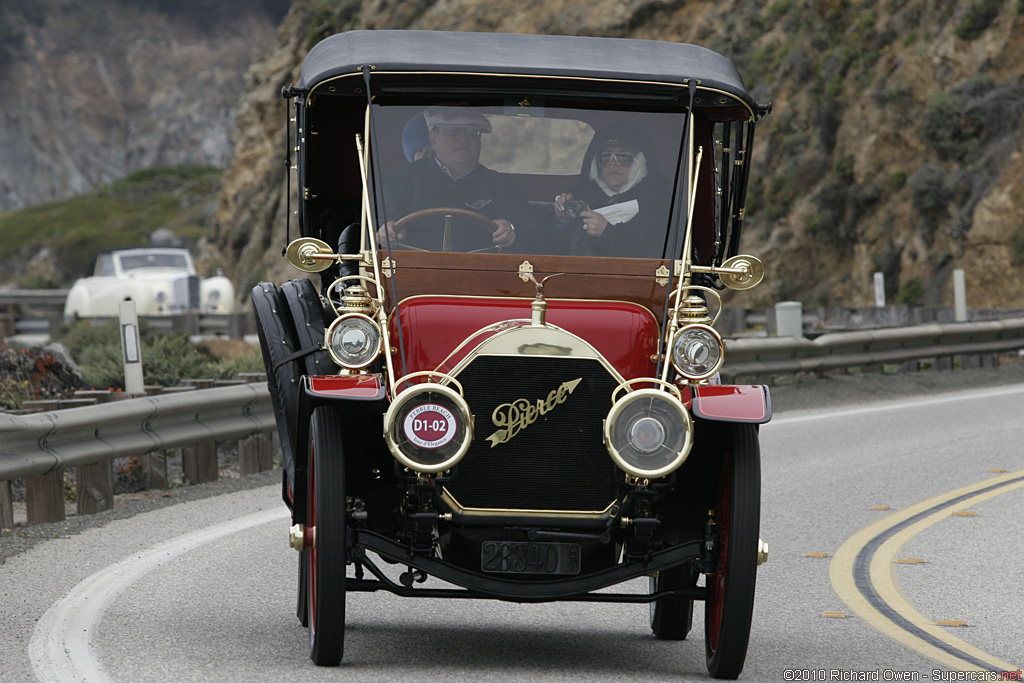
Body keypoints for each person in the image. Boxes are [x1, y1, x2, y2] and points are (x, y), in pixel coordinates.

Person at [377, 105, 529, 252]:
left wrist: (508, 227)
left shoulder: (506, 187)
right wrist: (387, 230)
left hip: (481, 273)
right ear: (433, 139)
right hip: (412, 273)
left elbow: (520, 227)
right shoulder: (398, 181)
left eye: (472, 132)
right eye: (453, 131)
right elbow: (383, 221)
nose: (463, 138)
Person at [552, 121, 672, 258]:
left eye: (623, 156)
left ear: (640, 162)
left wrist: (607, 232)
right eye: (605, 157)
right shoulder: (581, 196)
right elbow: (555, 252)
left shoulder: (659, 198)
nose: (612, 163)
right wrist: (562, 221)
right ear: (596, 164)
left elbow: (655, 250)